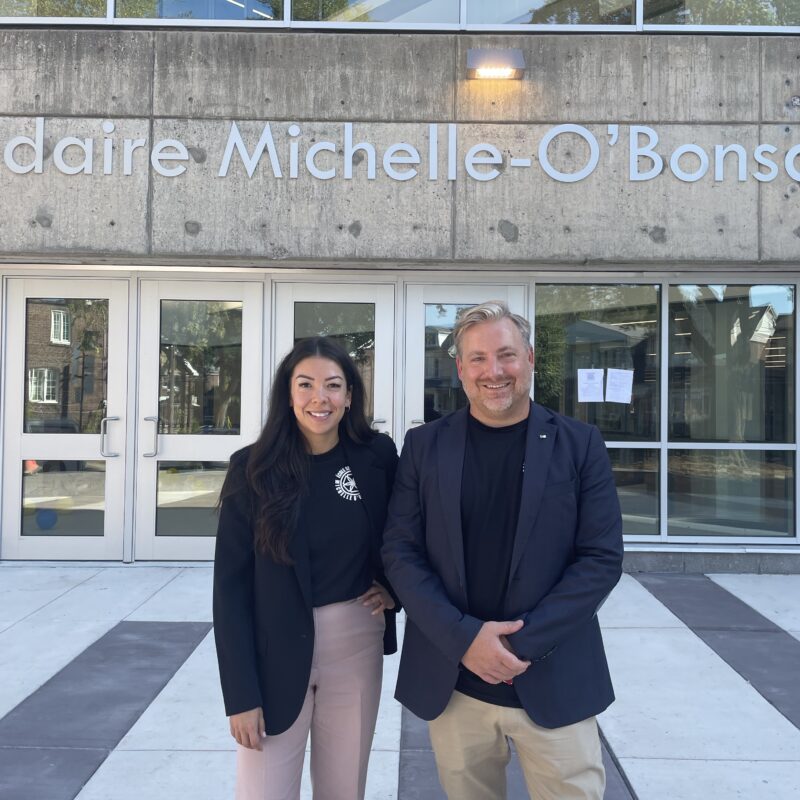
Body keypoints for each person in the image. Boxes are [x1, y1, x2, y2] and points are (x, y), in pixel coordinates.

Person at [382, 301, 623, 800]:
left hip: (553, 680)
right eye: (478, 359)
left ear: (530, 359)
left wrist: (516, 646)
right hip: (455, 683)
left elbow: (600, 559)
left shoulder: (580, 444)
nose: (494, 371)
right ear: (460, 369)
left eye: (506, 355)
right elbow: (401, 552)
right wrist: (466, 640)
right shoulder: (425, 445)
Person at [213, 336, 399, 800]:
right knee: (263, 791)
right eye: (306, 384)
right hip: (272, 649)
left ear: (350, 395)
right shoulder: (251, 469)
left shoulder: (376, 457)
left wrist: (396, 588)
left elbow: (405, 534)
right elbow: (230, 591)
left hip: (355, 641)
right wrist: (240, 696)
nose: (321, 398)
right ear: (288, 394)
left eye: (334, 385)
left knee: (343, 789)